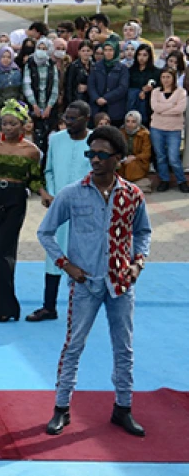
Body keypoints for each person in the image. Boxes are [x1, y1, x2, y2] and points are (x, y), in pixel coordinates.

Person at [38, 126, 151, 438]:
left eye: (102, 154)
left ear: (118, 158)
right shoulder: (72, 193)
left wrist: (138, 264)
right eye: (91, 154)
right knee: (74, 345)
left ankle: (123, 408)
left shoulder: (132, 195)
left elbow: (143, 233)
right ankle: (61, 408)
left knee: (124, 348)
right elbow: (44, 232)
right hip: (85, 284)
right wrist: (66, 265)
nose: (95, 159)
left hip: (121, 284)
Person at [0, 100, 51, 322]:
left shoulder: (31, 152)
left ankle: (8, 307)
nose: (8, 128)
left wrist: (44, 194)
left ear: (23, 125)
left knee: (3, 252)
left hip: (16, 200)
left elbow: (34, 179)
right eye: (4, 124)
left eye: (12, 123)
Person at [27, 101, 92, 323]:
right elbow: (49, 170)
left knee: (83, 257)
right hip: (59, 207)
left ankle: (84, 309)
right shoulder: (55, 139)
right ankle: (49, 306)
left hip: (86, 209)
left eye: (73, 119)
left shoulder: (95, 141)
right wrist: (51, 195)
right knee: (53, 254)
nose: (68, 122)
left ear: (86, 119)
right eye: (66, 118)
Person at [148, 69, 188, 192]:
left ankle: (181, 180)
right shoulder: (155, 92)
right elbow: (155, 107)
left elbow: (180, 109)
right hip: (157, 128)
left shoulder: (181, 92)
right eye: (163, 77)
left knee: (173, 157)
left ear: (173, 78)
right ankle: (164, 180)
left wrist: (163, 109)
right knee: (160, 156)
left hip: (173, 129)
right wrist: (171, 105)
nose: (165, 79)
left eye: (168, 77)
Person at [0, 47, 23, 138]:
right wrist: (3, 102)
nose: (6, 59)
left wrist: (16, 103)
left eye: (9, 57)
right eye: (3, 56)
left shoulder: (17, 72)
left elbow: (21, 90)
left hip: (14, 108)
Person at [88, 42, 130, 125]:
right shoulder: (96, 67)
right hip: (97, 107)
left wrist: (106, 98)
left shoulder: (122, 68)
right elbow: (91, 85)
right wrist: (96, 98)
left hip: (115, 108)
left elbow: (122, 87)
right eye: (106, 50)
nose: (108, 53)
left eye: (111, 50)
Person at [118, 111, 152, 191]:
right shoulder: (121, 132)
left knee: (131, 166)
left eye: (133, 121)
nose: (130, 124)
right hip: (124, 159)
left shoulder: (144, 134)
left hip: (139, 161)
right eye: (128, 121)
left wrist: (134, 157)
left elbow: (146, 153)